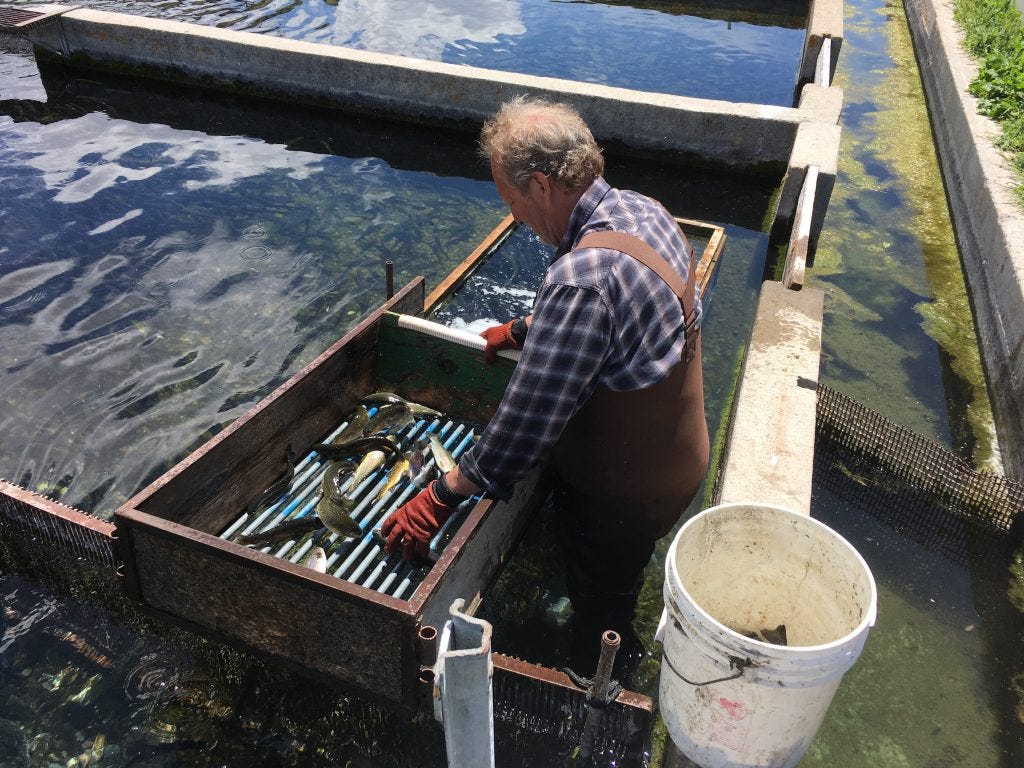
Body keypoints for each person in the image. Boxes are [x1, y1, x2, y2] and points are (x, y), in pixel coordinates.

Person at [382, 95, 709, 675]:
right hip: (677, 460)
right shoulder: (643, 212)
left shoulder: (583, 279)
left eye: (512, 202)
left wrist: (440, 496)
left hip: (624, 493)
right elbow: (624, 314)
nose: (516, 219)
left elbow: (526, 425)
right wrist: (526, 328)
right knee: (613, 572)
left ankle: (599, 681)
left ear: (539, 185)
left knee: (602, 601)